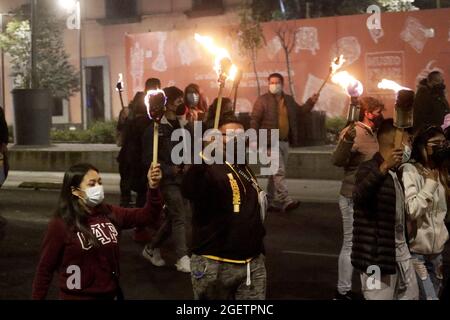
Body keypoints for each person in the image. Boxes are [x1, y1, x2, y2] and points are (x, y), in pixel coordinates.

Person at [32, 163, 163, 300]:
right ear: (75, 191)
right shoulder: (61, 224)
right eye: (92, 184)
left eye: (100, 182)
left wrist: (153, 187)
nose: (98, 188)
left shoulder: (111, 213)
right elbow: (45, 269)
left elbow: (148, 216)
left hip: (110, 295)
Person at [182, 113, 267, 300]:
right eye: (230, 135)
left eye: (241, 135)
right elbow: (190, 189)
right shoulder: (208, 168)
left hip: (251, 264)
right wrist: (202, 157)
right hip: (215, 263)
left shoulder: (242, 166)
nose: (237, 139)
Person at [352, 119, 418, 300]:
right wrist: (383, 168)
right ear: (395, 142)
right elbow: (358, 196)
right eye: (408, 139)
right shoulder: (369, 167)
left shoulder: (397, 172)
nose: (410, 145)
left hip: (402, 257)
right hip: (376, 261)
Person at [331, 97, 384, 300]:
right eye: (378, 111)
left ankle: (371, 291)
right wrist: (346, 140)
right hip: (352, 196)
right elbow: (337, 160)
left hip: (370, 196)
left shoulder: (373, 133)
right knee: (351, 244)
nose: (380, 115)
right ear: (368, 112)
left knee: (372, 244)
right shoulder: (353, 132)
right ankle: (342, 291)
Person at [141, 86, 193, 273]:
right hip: (167, 181)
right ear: (168, 104)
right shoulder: (155, 129)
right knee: (179, 215)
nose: (182, 103)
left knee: (175, 217)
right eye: (178, 100)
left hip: (184, 180)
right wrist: (168, 169)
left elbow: (192, 149)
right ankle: (182, 257)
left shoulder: (183, 125)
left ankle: (151, 247)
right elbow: (148, 158)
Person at [251, 73, 319, 212]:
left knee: (274, 173)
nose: (274, 85)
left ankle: (268, 201)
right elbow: (255, 119)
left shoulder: (288, 100)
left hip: (284, 141)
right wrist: (253, 138)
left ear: (282, 84)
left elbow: (300, 112)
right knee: (278, 170)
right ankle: (285, 200)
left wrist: (311, 102)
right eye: (271, 82)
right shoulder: (262, 100)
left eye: (277, 82)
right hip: (269, 141)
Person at [401, 125, 449, 299]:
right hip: (418, 253)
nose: (442, 147)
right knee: (430, 297)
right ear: (423, 146)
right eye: (436, 143)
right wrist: (429, 185)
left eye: (444, 143)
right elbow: (412, 210)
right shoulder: (410, 170)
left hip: (438, 253)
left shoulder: (441, 171)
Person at [125, 78, 161, 242]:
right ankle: (140, 228)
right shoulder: (140, 112)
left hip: (149, 158)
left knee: (153, 193)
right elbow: (132, 141)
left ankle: (151, 223)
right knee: (142, 195)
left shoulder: (158, 105)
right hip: (140, 161)